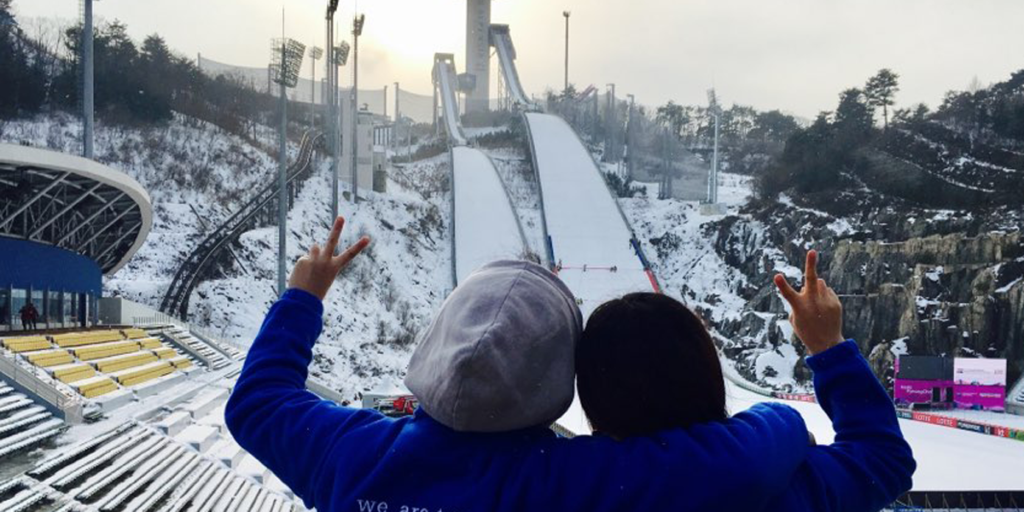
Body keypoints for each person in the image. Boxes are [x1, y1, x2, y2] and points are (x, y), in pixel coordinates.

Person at [226, 217, 815, 512]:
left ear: (437, 341)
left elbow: (257, 402)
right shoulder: (567, 480)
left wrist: (304, 295)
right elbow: (745, 463)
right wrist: (786, 420)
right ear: (560, 379)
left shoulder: (348, 451)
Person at [575, 250, 916, 512]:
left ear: (592, 392)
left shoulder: (563, 488)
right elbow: (884, 457)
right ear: (705, 372)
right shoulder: (789, 485)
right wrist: (828, 345)